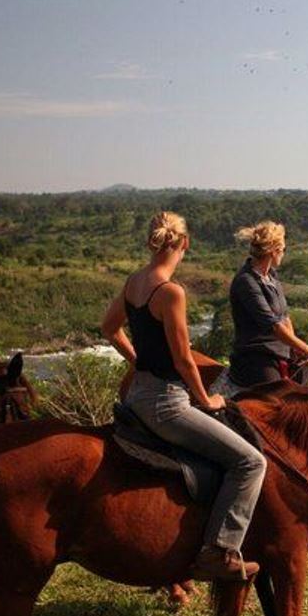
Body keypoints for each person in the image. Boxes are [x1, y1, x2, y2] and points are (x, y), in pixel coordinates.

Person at [101, 211, 267, 582]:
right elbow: (183, 360)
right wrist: (206, 400)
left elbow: (109, 329)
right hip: (166, 403)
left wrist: (139, 361)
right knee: (250, 462)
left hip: (137, 396)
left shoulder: (133, 282)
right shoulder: (171, 292)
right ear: (185, 244)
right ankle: (218, 552)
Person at [227, 221, 308, 390]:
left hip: (280, 351)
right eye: (283, 250)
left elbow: (285, 317)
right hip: (257, 355)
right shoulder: (246, 281)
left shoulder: (271, 277)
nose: (283, 254)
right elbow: (274, 326)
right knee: (277, 397)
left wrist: (296, 349)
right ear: (274, 251)